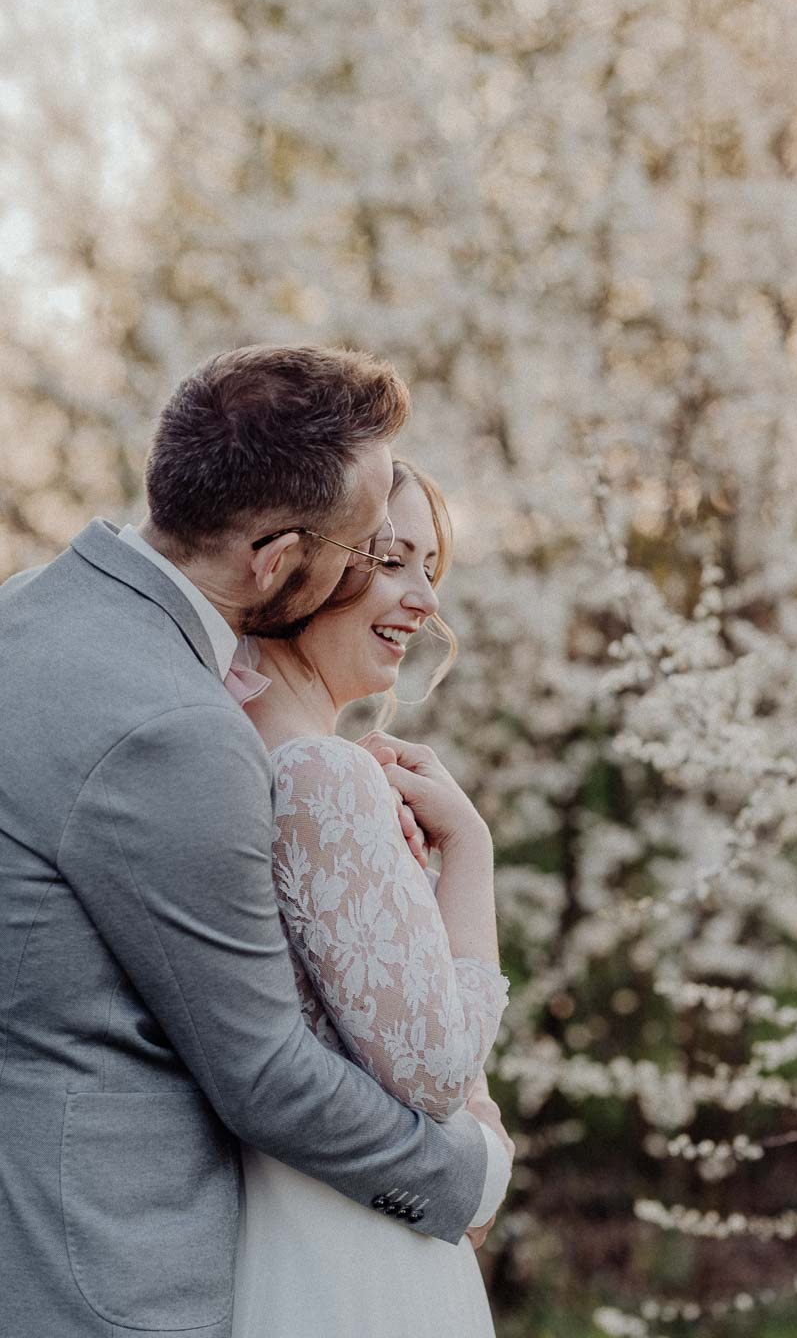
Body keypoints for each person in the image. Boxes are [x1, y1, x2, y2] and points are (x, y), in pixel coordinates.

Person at [0, 346, 509, 1338]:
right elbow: (265, 1072)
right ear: (277, 563)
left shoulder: (30, 606)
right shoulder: (177, 729)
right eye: (365, 548)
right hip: (113, 1275)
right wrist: (468, 1178)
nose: (392, 578)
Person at [231, 457, 513, 1336]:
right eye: (392, 561)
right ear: (302, 564)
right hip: (358, 1261)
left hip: (296, 1234)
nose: (426, 602)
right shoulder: (319, 771)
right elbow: (433, 1072)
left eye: (431, 569)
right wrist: (470, 853)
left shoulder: (240, 751)